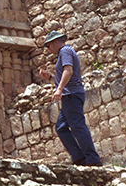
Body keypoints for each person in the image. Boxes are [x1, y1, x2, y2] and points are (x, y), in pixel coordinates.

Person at [39, 30, 102, 166]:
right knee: (61, 127)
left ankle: (92, 158)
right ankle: (79, 157)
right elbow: (65, 75)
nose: (48, 50)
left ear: (55, 42)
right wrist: (49, 77)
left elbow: (69, 71)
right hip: (70, 95)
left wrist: (59, 90)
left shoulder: (65, 51)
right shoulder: (64, 52)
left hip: (71, 95)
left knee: (78, 126)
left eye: (48, 46)